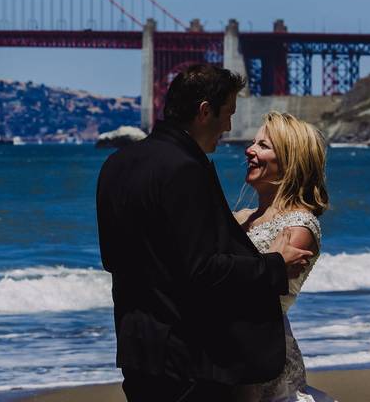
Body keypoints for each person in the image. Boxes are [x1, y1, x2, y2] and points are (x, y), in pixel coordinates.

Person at [97, 64, 313, 401]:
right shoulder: (184, 168)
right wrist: (274, 265)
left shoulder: (115, 165)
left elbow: (113, 259)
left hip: (136, 349)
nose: (228, 127)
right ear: (204, 112)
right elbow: (202, 269)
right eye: (227, 114)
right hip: (186, 358)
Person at [234, 112, 335, 402]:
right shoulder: (240, 218)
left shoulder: (299, 226)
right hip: (234, 353)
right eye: (253, 143)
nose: (249, 150)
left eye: (263, 145)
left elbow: (260, 295)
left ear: (291, 161)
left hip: (261, 358)